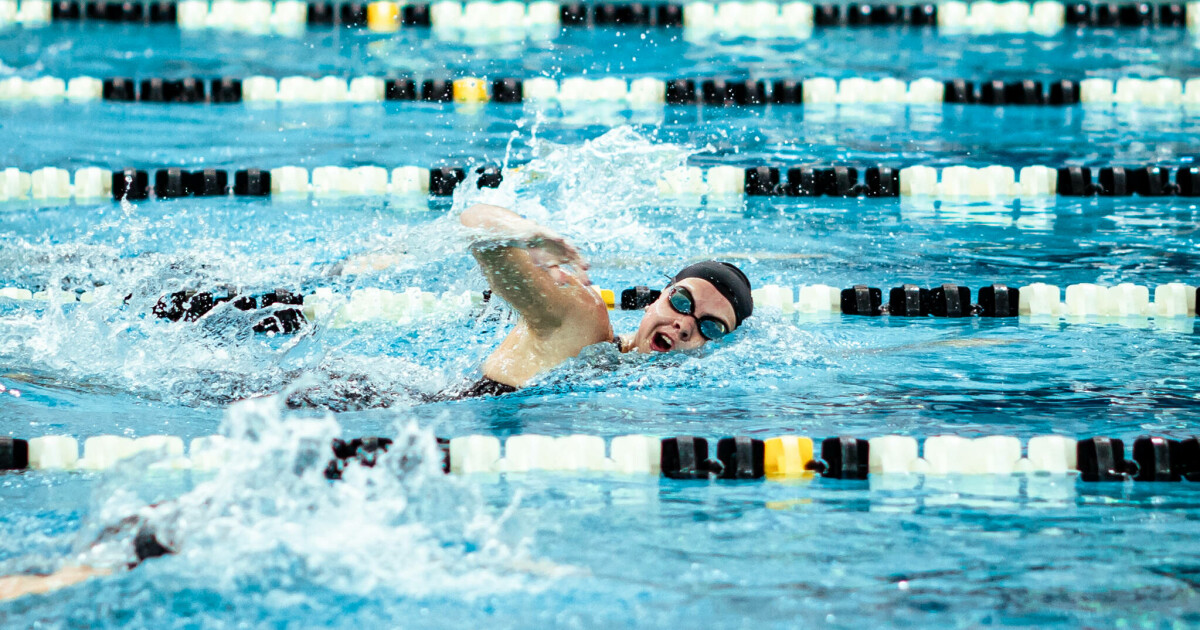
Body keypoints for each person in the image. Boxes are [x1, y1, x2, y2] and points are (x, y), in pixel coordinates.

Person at [453, 203, 753, 398]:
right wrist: (523, 234)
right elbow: (474, 220)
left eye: (712, 327)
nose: (685, 325)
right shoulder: (582, 320)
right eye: (682, 301)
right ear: (655, 299)